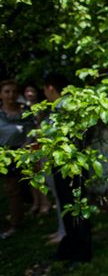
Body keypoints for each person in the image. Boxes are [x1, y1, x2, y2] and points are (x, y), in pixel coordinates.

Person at [43, 74, 92, 262]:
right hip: (63, 165)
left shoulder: (65, 107)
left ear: (50, 88)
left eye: (45, 90)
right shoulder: (60, 107)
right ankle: (71, 247)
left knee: (76, 210)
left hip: (71, 166)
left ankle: (82, 252)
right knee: (67, 207)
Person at [0, 79, 33, 239]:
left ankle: (15, 223)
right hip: (1, 153)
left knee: (14, 191)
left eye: (13, 91)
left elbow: (31, 134)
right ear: (1, 94)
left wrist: (24, 149)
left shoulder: (24, 113)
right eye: (7, 91)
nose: (10, 95)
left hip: (17, 154)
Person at [23, 83, 52, 216]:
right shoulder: (22, 107)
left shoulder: (43, 107)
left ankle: (45, 202)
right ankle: (36, 202)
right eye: (27, 91)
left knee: (41, 174)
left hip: (39, 144)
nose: (29, 93)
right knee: (31, 175)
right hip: (25, 145)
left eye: (32, 91)